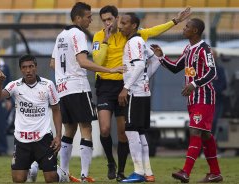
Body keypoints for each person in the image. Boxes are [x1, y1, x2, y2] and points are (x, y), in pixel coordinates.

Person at [92, 5, 191, 181]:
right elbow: (98, 60)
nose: (108, 23)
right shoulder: (100, 36)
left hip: (126, 86)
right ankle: (117, 164)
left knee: (128, 132)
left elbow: (152, 34)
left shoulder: (133, 38)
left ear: (117, 19)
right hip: (109, 85)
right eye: (104, 20)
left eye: (111, 19)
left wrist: (175, 21)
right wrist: (106, 39)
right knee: (110, 129)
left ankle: (130, 171)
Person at [50, 2, 124, 182]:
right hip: (77, 86)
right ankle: (84, 174)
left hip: (62, 88)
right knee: (86, 128)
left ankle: (64, 172)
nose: (91, 20)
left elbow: (52, 64)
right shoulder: (78, 34)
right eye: (89, 16)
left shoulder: (61, 35)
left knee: (69, 129)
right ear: (78, 18)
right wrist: (110, 70)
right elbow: (83, 61)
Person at [152, 18, 223, 183]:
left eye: (187, 27)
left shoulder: (205, 49)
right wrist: (161, 58)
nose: (184, 29)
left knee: (195, 131)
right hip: (192, 98)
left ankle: (185, 171)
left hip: (204, 97)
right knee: (205, 135)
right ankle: (215, 173)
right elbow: (177, 67)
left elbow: (213, 73)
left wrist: (194, 83)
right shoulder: (188, 49)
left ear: (195, 31)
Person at [0, 54, 65, 183]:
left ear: (36, 67)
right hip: (22, 140)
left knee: (51, 179)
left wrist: (58, 136)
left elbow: (56, 110)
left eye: (31, 66)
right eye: (24, 67)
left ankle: (62, 175)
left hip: (43, 139)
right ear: (21, 69)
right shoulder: (14, 85)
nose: (28, 70)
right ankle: (32, 168)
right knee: (18, 179)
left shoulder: (48, 85)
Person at [117, 13, 162, 183]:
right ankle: (148, 172)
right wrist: (159, 57)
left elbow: (140, 65)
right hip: (144, 91)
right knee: (140, 133)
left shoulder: (133, 42)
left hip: (134, 93)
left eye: (124, 23)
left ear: (134, 26)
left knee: (130, 130)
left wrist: (125, 88)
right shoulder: (141, 42)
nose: (120, 26)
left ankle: (138, 172)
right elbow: (153, 63)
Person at [211, 49, 227, 137]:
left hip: (217, 101)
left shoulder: (220, 70)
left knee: (214, 121)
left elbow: (224, 85)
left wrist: (213, 90)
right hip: (204, 101)